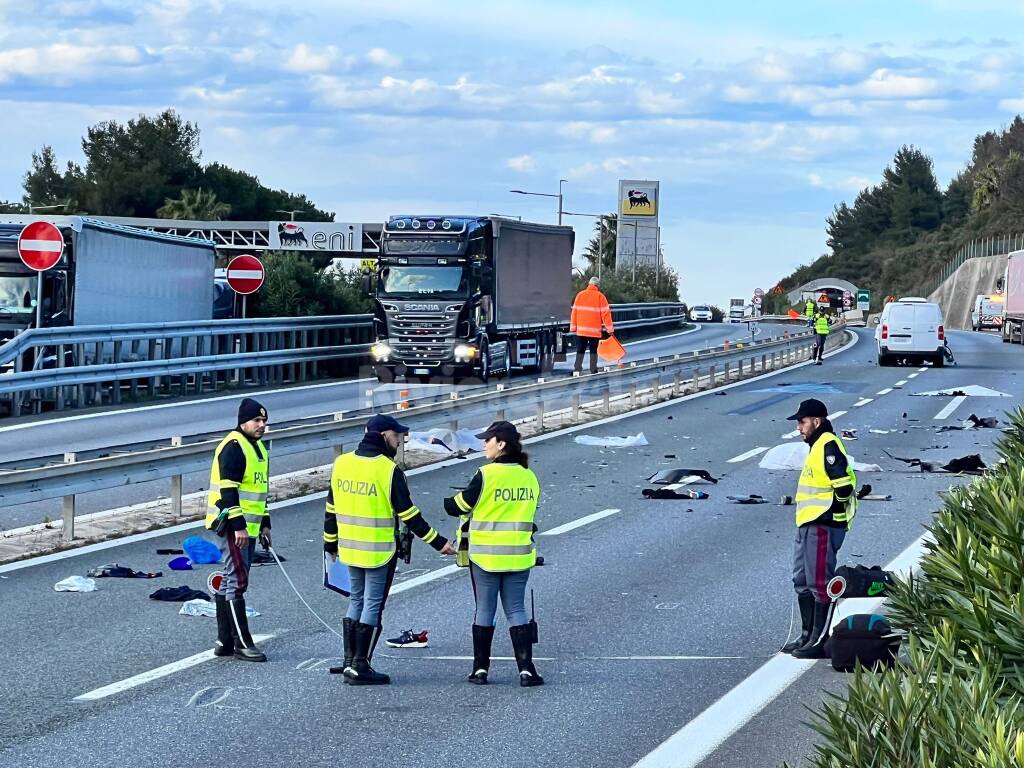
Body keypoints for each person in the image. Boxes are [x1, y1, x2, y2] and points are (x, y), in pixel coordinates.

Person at [323, 414, 456, 685]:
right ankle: (361, 665)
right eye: (397, 437)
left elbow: (330, 509)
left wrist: (330, 544)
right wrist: (438, 542)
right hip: (378, 550)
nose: (399, 441)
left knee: (355, 601)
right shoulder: (387, 469)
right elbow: (409, 515)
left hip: (349, 548)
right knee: (372, 604)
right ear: (384, 435)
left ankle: (349, 661)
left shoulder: (342, 463)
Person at [444, 421, 543, 687]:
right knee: (516, 609)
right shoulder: (528, 476)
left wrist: (448, 502)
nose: (484, 444)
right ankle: (526, 670)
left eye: (488, 440)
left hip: (486, 557)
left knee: (485, 610)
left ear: (501, 444)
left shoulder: (486, 474)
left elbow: (460, 505)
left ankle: (480, 669)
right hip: (519, 555)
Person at [782, 399, 857, 659]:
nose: (799, 428)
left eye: (802, 422)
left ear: (817, 421)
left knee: (819, 583)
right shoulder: (816, 446)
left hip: (823, 524)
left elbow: (844, 486)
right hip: (808, 523)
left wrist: (829, 514)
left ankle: (820, 641)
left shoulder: (828, 445)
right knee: (801, 580)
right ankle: (806, 635)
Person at [204, 398, 271, 662]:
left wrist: (265, 522)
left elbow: (259, 490)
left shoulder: (258, 448)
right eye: (257, 421)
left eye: (264, 421)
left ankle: (224, 641)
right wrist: (239, 527)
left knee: (233, 579)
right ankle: (242, 643)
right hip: (232, 526)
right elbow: (228, 490)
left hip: (249, 527)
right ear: (243, 421)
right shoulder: (234, 446)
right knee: (236, 581)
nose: (261, 425)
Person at [571, 276, 614, 375]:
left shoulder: (580, 295)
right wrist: (609, 329)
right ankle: (593, 369)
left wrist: (573, 327)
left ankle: (577, 368)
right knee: (593, 350)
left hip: (581, 330)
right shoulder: (600, 297)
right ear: (597, 285)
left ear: (589, 284)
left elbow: (574, 312)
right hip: (594, 331)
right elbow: (606, 314)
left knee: (580, 349)